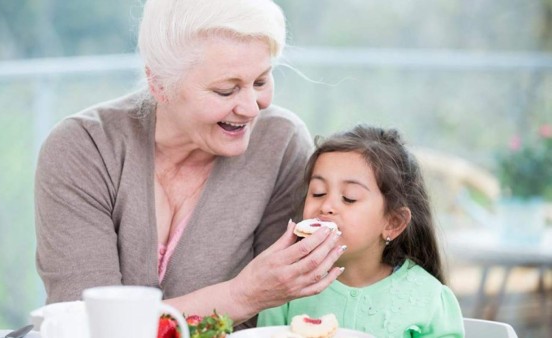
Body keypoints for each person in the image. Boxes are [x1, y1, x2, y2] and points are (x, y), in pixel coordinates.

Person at [34, 0, 345, 329]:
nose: (252, 108)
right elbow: (88, 325)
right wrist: (242, 295)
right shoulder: (84, 148)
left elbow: (280, 314)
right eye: (226, 90)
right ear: (159, 85)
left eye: (261, 82)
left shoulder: (280, 142)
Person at [258, 125, 464, 337]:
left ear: (393, 223)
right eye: (318, 193)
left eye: (349, 198)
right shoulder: (286, 285)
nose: (326, 205)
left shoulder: (428, 298)